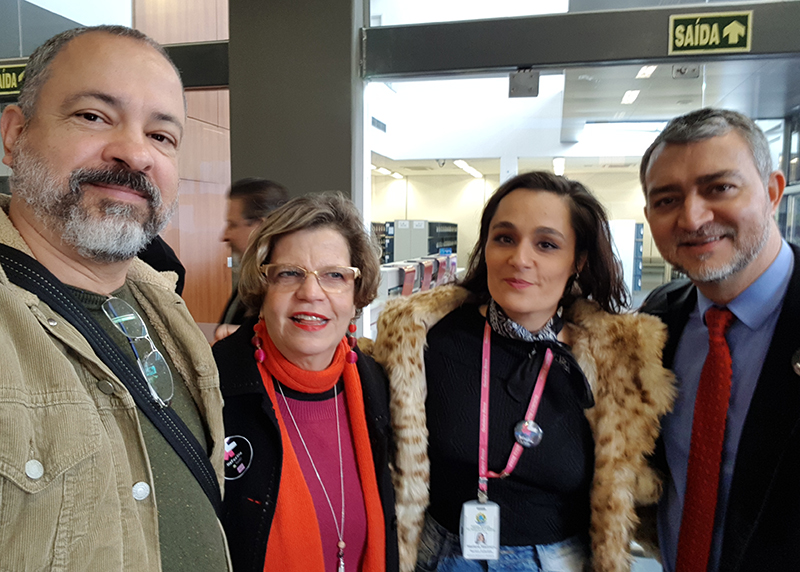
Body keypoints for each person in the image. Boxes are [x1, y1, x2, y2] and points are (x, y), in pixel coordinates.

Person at [365, 171, 675, 572]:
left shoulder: (613, 362)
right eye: (504, 238)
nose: (520, 258)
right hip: (437, 557)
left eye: (546, 244)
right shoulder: (423, 340)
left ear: (577, 260)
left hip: (559, 560)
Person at [0, 26, 228, 571]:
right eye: (93, 116)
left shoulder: (165, 306)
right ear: (14, 133)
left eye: (162, 136)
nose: (134, 153)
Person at [639, 108, 799, 572]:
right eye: (667, 199)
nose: (692, 217)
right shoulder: (659, 321)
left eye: (719, 188)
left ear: (772, 193)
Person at [213, 192, 399, 572]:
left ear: (355, 294)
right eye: (289, 273)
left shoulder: (374, 384)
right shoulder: (213, 387)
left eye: (334, 276)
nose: (311, 293)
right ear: (263, 286)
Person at [216, 177, 289, 341]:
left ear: (261, 227)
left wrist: (246, 336)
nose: (225, 236)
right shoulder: (252, 279)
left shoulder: (281, 286)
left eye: (233, 225)